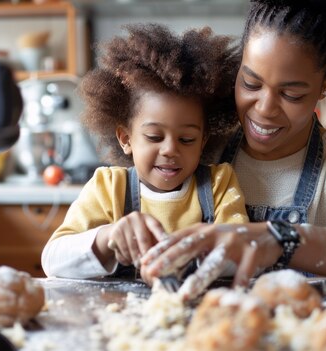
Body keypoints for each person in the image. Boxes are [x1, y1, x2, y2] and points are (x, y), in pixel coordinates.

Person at [141, 0, 326, 298]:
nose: (265, 109)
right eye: (250, 83)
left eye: (291, 94)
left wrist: (279, 239)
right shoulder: (199, 150)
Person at [41, 24, 248, 279]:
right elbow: (52, 261)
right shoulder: (109, 188)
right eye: (154, 137)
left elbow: (246, 254)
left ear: (203, 140)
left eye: (186, 139)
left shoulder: (218, 184)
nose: (170, 149)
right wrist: (108, 237)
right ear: (126, 138)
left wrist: (192, 248)